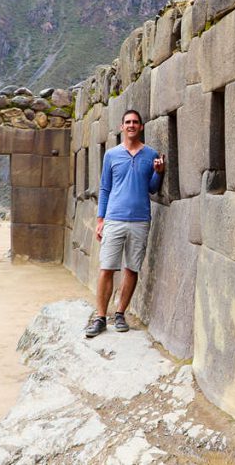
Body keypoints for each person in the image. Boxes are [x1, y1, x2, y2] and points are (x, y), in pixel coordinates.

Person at [84, 109, 165, 338]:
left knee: (132, 268)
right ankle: (100, 317)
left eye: (135, 122)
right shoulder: (111, 155)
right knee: (107, 268)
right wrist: (100, 219)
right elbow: (105, 188)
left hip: (140, 220)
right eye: (127, 122)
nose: (131, 125)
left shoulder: (150, 155)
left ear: (141, 127)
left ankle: (120, 313)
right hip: (114, 219)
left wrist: (158, 172)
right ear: (122, 127)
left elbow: (151, 188)